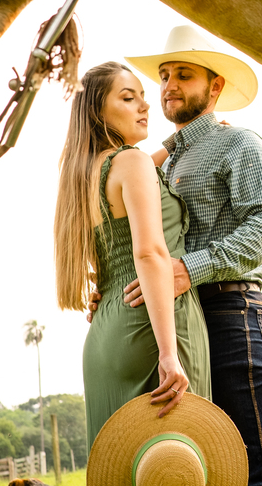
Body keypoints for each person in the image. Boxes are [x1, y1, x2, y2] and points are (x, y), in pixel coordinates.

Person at [93, 25, 262, 486]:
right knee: (205, 473)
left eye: (183, 74)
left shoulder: (240, 143)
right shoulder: (157, 160)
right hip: (184, 321)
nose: (169, 87)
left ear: (215, 87)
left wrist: (187, 269)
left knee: (256, 472)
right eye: (164, 76)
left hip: (231, 312)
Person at [54, 61, 210, 450]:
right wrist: (169, 354)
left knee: (123, 473)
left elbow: (140, 169)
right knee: (183, 468)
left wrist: (176, 143)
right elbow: (151, 253)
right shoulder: (131, 161)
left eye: (143, 96)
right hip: (152, 327)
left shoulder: (82, 174)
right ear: (97, 112)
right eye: (128, 98)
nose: (145, 106)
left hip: (105, 337)